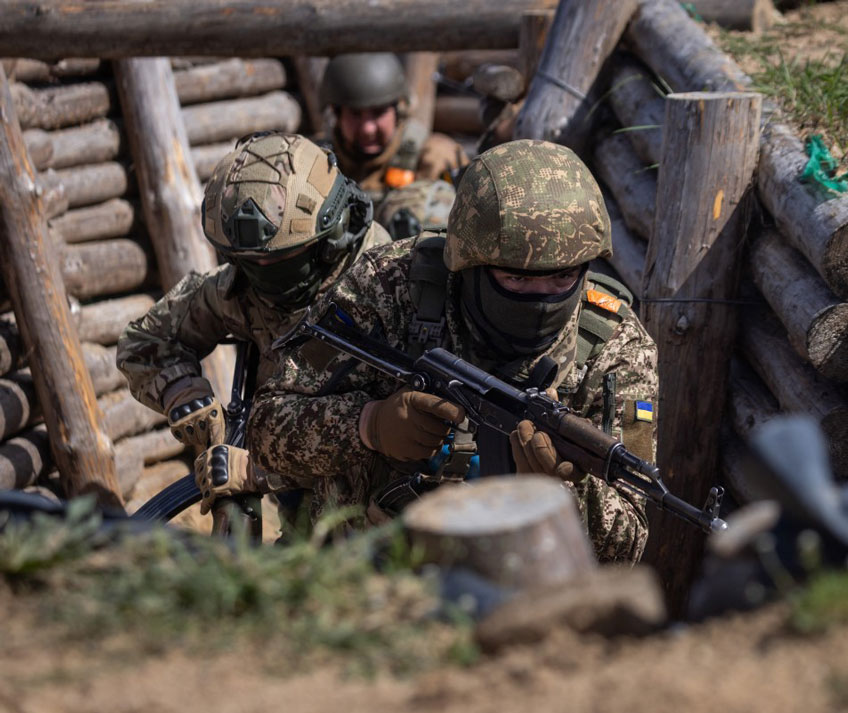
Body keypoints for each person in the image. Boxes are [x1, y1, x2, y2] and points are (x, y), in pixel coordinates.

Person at [238, 139, 658, 563]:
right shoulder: (388, 286)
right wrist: (368, 425)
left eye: (562, 278)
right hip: (366, 573)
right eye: (515, 279)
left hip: (523, 583)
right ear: (469, 263)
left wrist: (568, 491)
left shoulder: (616, 346)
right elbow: (267, 428)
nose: (541, 298)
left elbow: (627, 544)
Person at [116, 132, 391, 506]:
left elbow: (388, 436)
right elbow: (144, 341)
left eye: (280, 261)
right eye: (249, 262)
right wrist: (181, 390)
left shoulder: (387, 292)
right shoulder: (241, 288)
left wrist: (258, 471)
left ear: (333, 236)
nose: (263, 274)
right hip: (300, 518)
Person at [318, 52, 467, 235]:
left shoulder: (436, 157)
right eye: (355, 114)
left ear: (397, 110)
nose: (368, 129)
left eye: (378, 113)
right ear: (337, 113)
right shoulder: (318, 161)